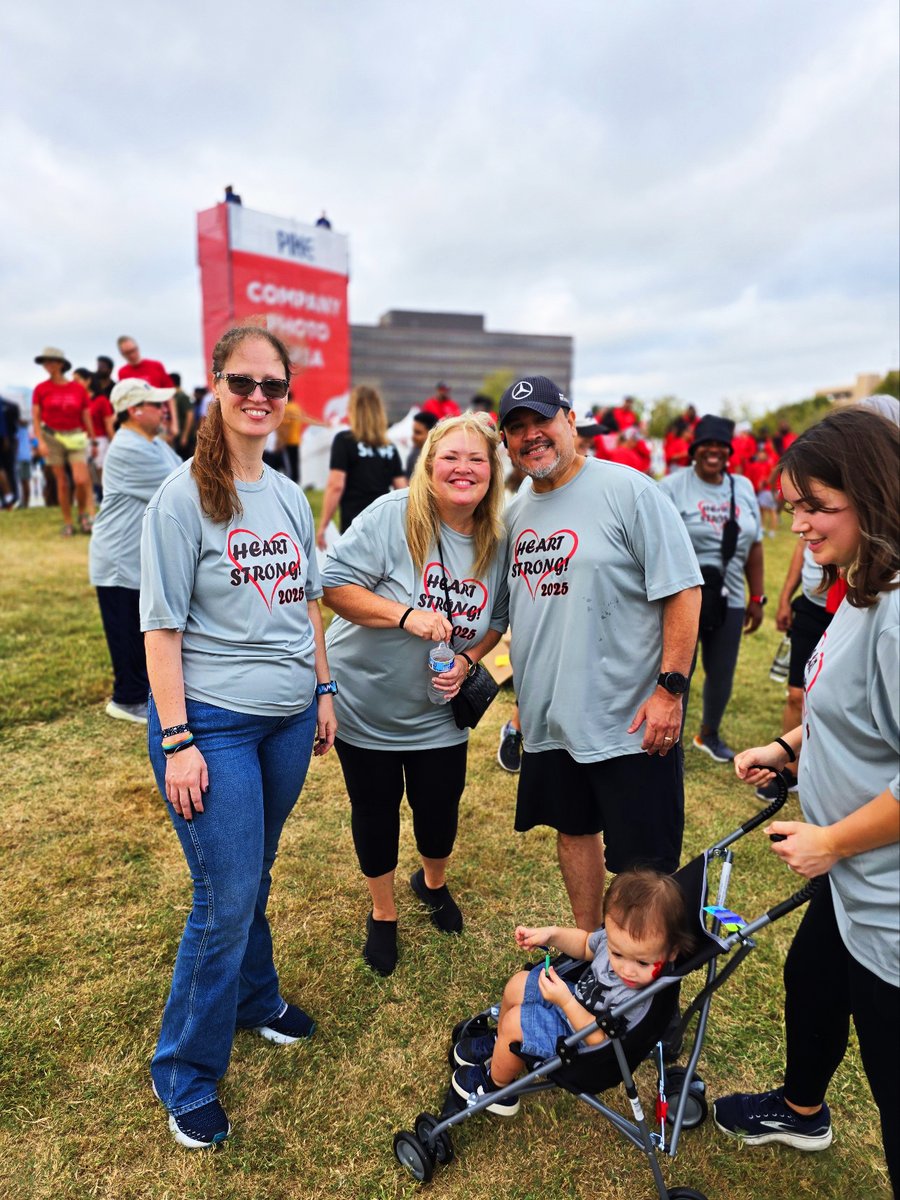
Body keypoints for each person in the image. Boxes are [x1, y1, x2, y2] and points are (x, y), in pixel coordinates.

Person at [140, 325, 337, 1149]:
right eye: (242, 382)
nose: (259, 397)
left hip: (289, 717)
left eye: (273, 386)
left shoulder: (289, 494)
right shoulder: (181, 496)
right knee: (222, 898)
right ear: (214, 387)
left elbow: (307, 602)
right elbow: (160, 630)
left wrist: (323, 690)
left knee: (253, 870)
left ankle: (256, 998)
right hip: (210, 722)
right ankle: (184, 1071)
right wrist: (179, 737)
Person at [713, 408, 899, 1195]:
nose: (797, 524)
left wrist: (832, 843)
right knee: (812, 979)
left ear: (873, 495)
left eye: (816, 506)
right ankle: (801, 1109)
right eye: (793, 505)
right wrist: (787, 750)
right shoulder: (857, 587)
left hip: (887, 895)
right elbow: (844, 716)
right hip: (851, 877)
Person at [500, 376, 702, 930]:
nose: (531, 436)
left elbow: (683, 590)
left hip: (631, 719)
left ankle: (641, 983)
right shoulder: (514, 515)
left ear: (569, 419)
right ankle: (592, 950)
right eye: (516, 428)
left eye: (541, 420)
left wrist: (670, 690)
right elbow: (507, 614)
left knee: (645, 867)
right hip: (553, 720)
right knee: (573, 830)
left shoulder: (629, 490)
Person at [321, 413, 509, 976]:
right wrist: (404, 615)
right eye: (451, 456)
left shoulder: (497, 541)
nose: (464, 468)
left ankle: (432, 884)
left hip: (436, 714)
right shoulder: (392, 515)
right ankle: (383, 913)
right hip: (365, 705)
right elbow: (332, 586)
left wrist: (470, 661)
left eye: (477, 459)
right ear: (429, 465)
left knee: (438, 810)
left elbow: (497, 621)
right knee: (375, 812)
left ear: (492, 472)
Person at [450, 868, 695, 1115]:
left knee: (515, 1022)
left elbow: (601, 1042)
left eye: (642, 963)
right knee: (519, 983)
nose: (625, 969)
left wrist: (566, 1001)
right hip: (574, 1002)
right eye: (617, 953)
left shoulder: (638, 998)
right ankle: (501, 1044)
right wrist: (552, 934)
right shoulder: (619, 942)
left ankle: (497, 1087)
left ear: (671, 952)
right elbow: (585, 944)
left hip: (582, 1045)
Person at [659, 415, 765, 764]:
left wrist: (756, 597)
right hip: (682, 597)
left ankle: (709, 734)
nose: (714, 451)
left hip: (730, 596)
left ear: (729, 451)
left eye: (721, 445)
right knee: (678, 671)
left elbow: (755, 547)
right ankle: (669, 741)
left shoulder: (744, 487)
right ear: (694, 449)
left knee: (721, 671)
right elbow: (655, 543)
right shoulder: (672, 486)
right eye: (707, 444)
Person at [90, 379, 181, 724]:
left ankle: (139, 693)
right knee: (128, 633)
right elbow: (182, 485)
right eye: (156, 405)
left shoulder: (153, 442)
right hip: (118, 558)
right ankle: (126, 700)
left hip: (133, 556)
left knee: (139, 629)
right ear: (134, 410)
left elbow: (188, 469)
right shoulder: (129, 448)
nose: (163, 410)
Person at [754, 540, 830, 802]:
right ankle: (791, 769)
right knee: (797, 694)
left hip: (850, 607)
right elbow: (801, 548)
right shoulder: (810, 521)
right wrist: (786, 598)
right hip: (811, 608)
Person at [315, 385, 406, 547]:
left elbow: (336, 485)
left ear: (353, 410)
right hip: (384, 523)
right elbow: (402, 489)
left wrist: (324, 525)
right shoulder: (389, 446)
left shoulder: (344, 440)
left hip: (355, 525)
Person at [31, 346, 96, 535]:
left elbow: (86, 415)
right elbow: (36, 417)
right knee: (62, 482)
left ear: (61, 364)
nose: (48, 365)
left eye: (51, 361)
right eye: (45, 362)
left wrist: (92, 440)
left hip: (75, 435)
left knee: (81, 479)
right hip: (51, 436)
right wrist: (40, 441)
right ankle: (68, 522)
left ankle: (83, 514)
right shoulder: (41, 389)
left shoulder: (77, 388)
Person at [117, 335, 178, 439]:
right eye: (128, 352)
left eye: (134, 350)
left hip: (159, 421)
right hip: (137, 425)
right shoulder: (122, 373)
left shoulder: (156, 366)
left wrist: (174, 423)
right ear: (122, 354)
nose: (132, 355)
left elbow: (170, 397)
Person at [168, 373, 196, 461]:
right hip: (179, 436)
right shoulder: (175, 397)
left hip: (186, 437)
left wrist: (185, 436)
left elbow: (190, 416)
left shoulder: (182, 397)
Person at [405, 409, 438, 476]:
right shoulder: (416, 450)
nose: (413, 437)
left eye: (418, 432)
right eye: (413, 432)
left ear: (431, 433)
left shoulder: (436, 457)